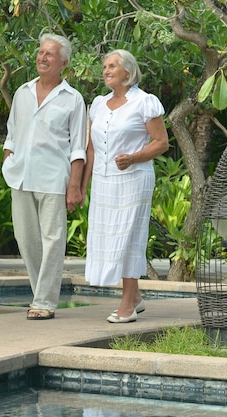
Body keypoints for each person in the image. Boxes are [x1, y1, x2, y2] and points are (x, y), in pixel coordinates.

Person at [2, 33, 87, 320]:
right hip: (21, 176)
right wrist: (7, 160)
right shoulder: (21, 93)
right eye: (40, 52)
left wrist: (75, 185)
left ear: (63, 62)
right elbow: (11, 135)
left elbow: (78, 147)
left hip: (54, 178)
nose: (42, 57)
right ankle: (41, 294)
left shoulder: (73, 99)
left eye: (49, 54)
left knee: (53, 240)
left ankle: (45, 302)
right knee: (25, 240)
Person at [81, 49, 169, 323]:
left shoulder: (145, 102)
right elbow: (91, 149)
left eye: (112, 66)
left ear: (127, 73)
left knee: (128, 237)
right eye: (104, 67)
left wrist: (134, 158)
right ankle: (137, 297)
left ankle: (127, 304)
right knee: (109, 238)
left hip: (134, 179)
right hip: (104, 183)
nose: (106, 71)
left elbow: (161, 142)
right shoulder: (97, 104)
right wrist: (82, 186)